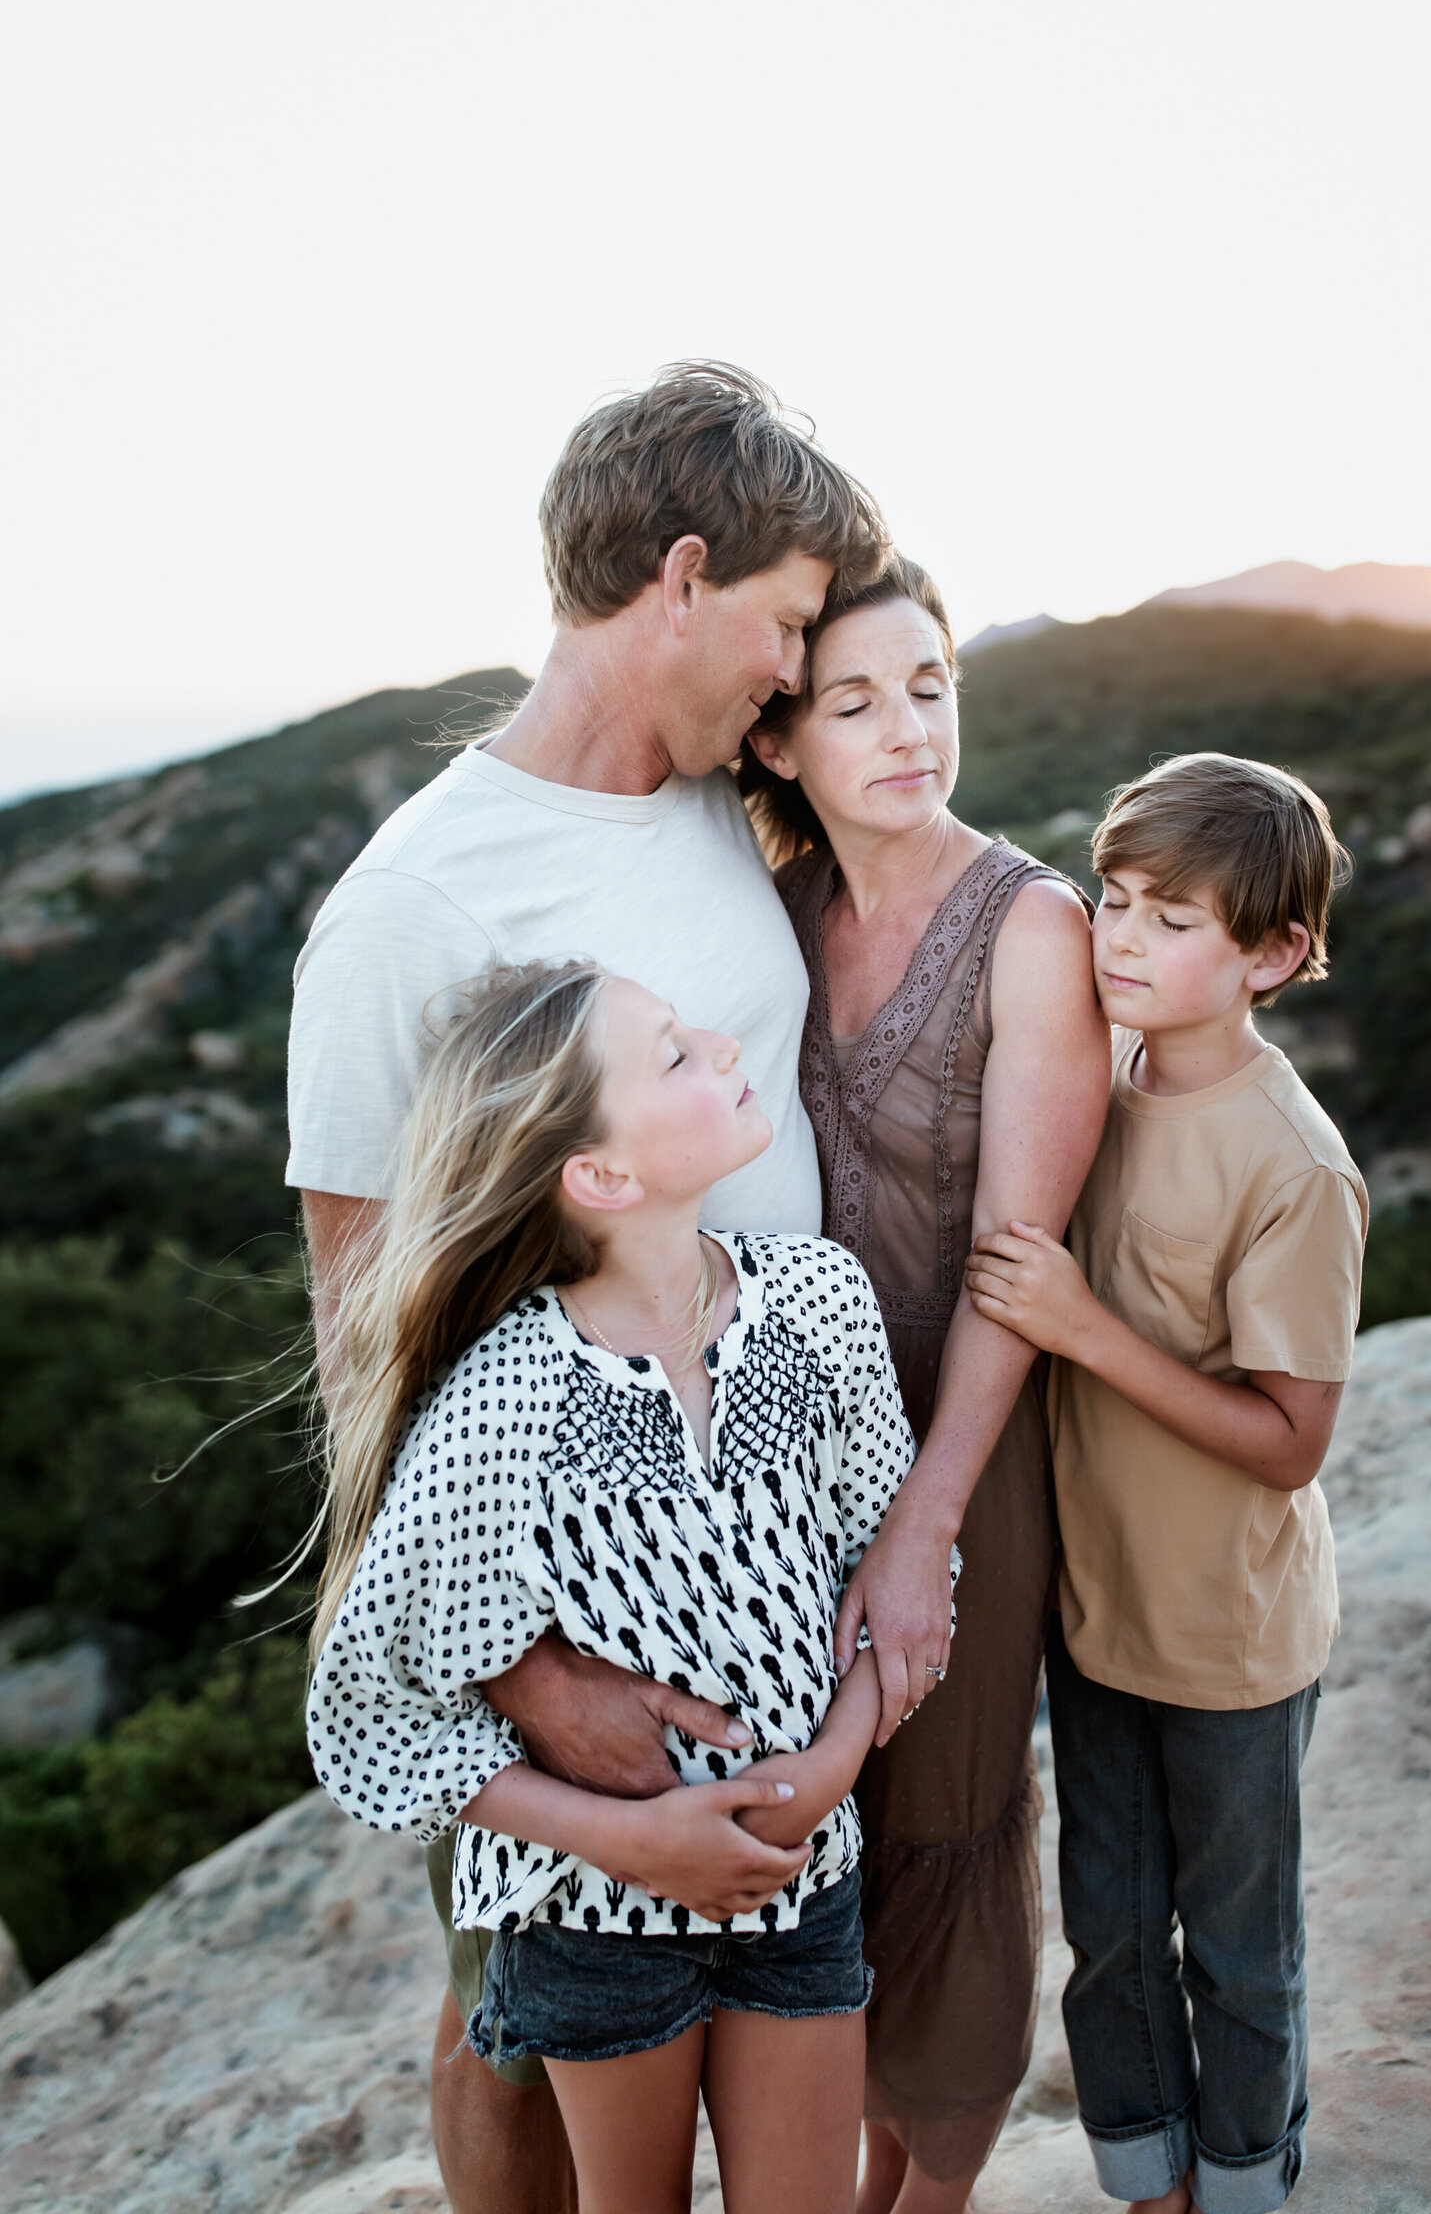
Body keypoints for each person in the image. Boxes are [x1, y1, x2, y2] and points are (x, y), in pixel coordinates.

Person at [285, 362, 892, 2214]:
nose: (791, 675)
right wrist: (530, 1678)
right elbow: (356, 1334)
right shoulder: (414, 910)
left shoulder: (725, 807)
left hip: (758, 1505)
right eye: (786, 625)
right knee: (518, 2011)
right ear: (682, 577)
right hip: (551, 1576)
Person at [307, 957, 938, 2214]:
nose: (717, 1039)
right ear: (600, 1177)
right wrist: (631, 1839)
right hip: (594, 1918)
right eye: (670, 1053)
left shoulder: (820, 1300)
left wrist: (833, 1764)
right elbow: (367, 1713)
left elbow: (906, 1567)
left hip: (800, 1879)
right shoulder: (504, 1403)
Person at [741, 559, 1110, 2213]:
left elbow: (1013, 1269)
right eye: (856, 701)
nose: (909, 730)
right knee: (835, 1816)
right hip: (790, 1457)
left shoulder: (1033, 929)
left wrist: (923, 1527)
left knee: (948, 1808)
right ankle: (849, 2157)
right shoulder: (778, 915)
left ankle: (935, 2186)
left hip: (968, 1446)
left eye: (932, 687)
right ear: (779, 745)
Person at [965, 752, 1368, 2214]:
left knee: (1236, 1943)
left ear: (1269, 953)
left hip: (1229, 1636)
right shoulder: (1101, 1080)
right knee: (1113, 1930)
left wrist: (1084, 1328)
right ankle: (1150, 2179)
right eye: (1113, 899)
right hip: (1095, 1611)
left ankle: (1249, 2181)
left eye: (1173, 919)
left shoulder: (1292, 1165)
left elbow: (1291, 1442)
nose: (1122, 939)